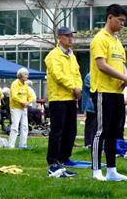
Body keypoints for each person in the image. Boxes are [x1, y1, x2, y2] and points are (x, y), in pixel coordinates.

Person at [90, 4, 127, 182]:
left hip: (117, 93)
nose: (123, 24)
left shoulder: (117, 41)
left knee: (113, 132)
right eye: (120, 20)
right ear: (110, 18)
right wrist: (124, 78)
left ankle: (111, 170)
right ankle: (95, 170)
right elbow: (101, 65)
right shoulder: (100, 39)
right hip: (103, 91)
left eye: (124, 21)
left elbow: (121, 64)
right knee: (101, 131)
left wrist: (125, 78)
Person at [45, 27, 82, 178]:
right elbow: (58, 75)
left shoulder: (72, 55)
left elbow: (77, 73)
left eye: (71, 36)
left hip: (71, 97)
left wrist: (78, 88)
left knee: (70, 130)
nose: (70, 38)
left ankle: (64, 158)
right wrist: (73, 87)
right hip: (58, 98)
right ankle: (53, 161)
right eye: (67, 36)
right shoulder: (53, 56)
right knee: (57, 131)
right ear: (59, 37)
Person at [8, 68, 34, 149]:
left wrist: (28, 102)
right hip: (16, 107)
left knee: (25, 127)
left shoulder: (25, 85)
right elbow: (14, 96)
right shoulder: (15, 84)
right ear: (20, 75)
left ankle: (23, 144)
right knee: (15, 127)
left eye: (27, 74)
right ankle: (11, 145)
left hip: (24, 108)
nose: (27, 76)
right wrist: (22, 102)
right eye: (25, 74)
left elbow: (31, 96)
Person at [82, 73, 96, 147]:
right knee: (90, 124)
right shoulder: (89, 76)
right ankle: (88, 143)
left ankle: (93, 142)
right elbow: (93, 88)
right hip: (90, 104)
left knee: (95, 124)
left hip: (94, 104)